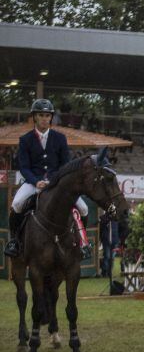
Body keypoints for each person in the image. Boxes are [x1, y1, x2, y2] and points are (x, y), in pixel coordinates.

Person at [4, 99, 91, 259]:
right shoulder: (25, 139)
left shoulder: (60, 138)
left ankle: (82, 244)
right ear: (34, 117)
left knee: (84, 209)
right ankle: (15, 241)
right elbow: (24, 167)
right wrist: (36, 181)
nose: (44, 118)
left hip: (56, 183)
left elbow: (65, 164)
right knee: (16, 204)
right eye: (41, 115)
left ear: (51, 117)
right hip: (33, 182)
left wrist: (54, 181)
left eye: (47, 115)